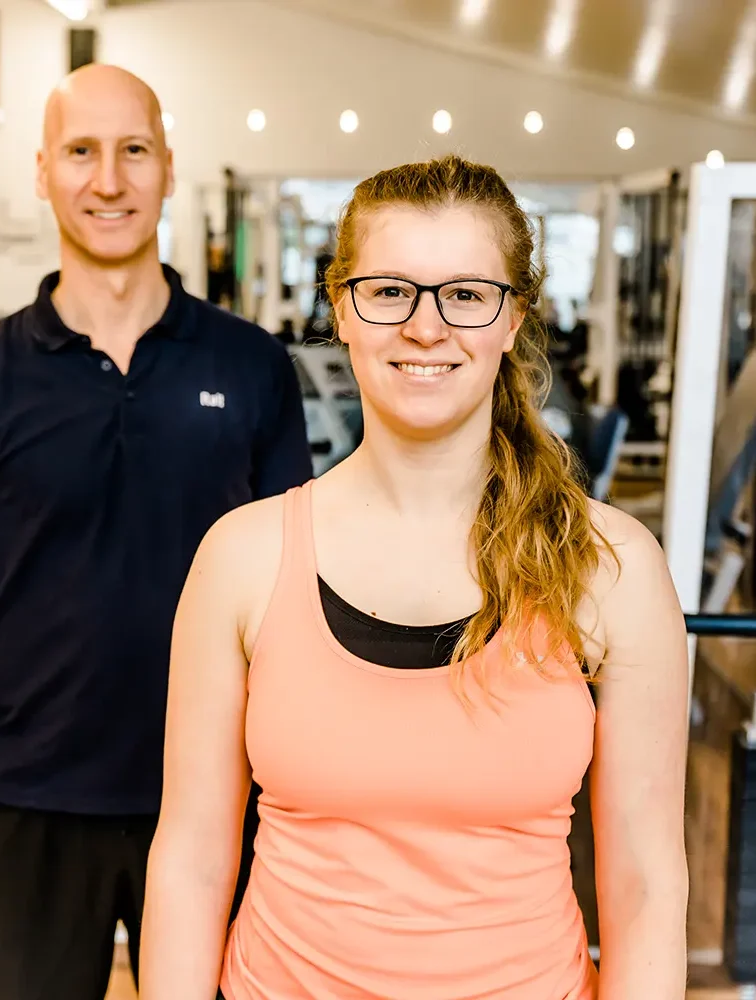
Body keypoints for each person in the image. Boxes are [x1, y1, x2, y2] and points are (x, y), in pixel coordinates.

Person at [140, 153, 690, 999]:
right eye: (390, 290)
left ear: (513, 319)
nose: (425, 327)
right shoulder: (243, 556)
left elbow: (647, 888)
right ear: (342, 310)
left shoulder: (609, 567)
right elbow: (189, 861)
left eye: (466, 294)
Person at [0, 63, 312, 1000]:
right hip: (29, 797)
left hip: (220, 801)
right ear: (43, 171)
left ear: (167, 167)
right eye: (81, 152)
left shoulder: (251, 368)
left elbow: (295, 605)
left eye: (133, 152)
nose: (108, 181)